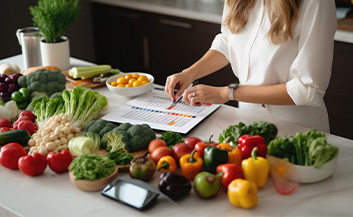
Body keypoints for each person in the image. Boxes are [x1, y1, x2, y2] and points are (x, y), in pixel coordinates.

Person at [164, 0, 337, 132]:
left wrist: (226, 93)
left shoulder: (316, 3)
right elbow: (227, 42)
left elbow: (307, 89)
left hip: (297, 129)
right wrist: (190, 73)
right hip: (246, 120)